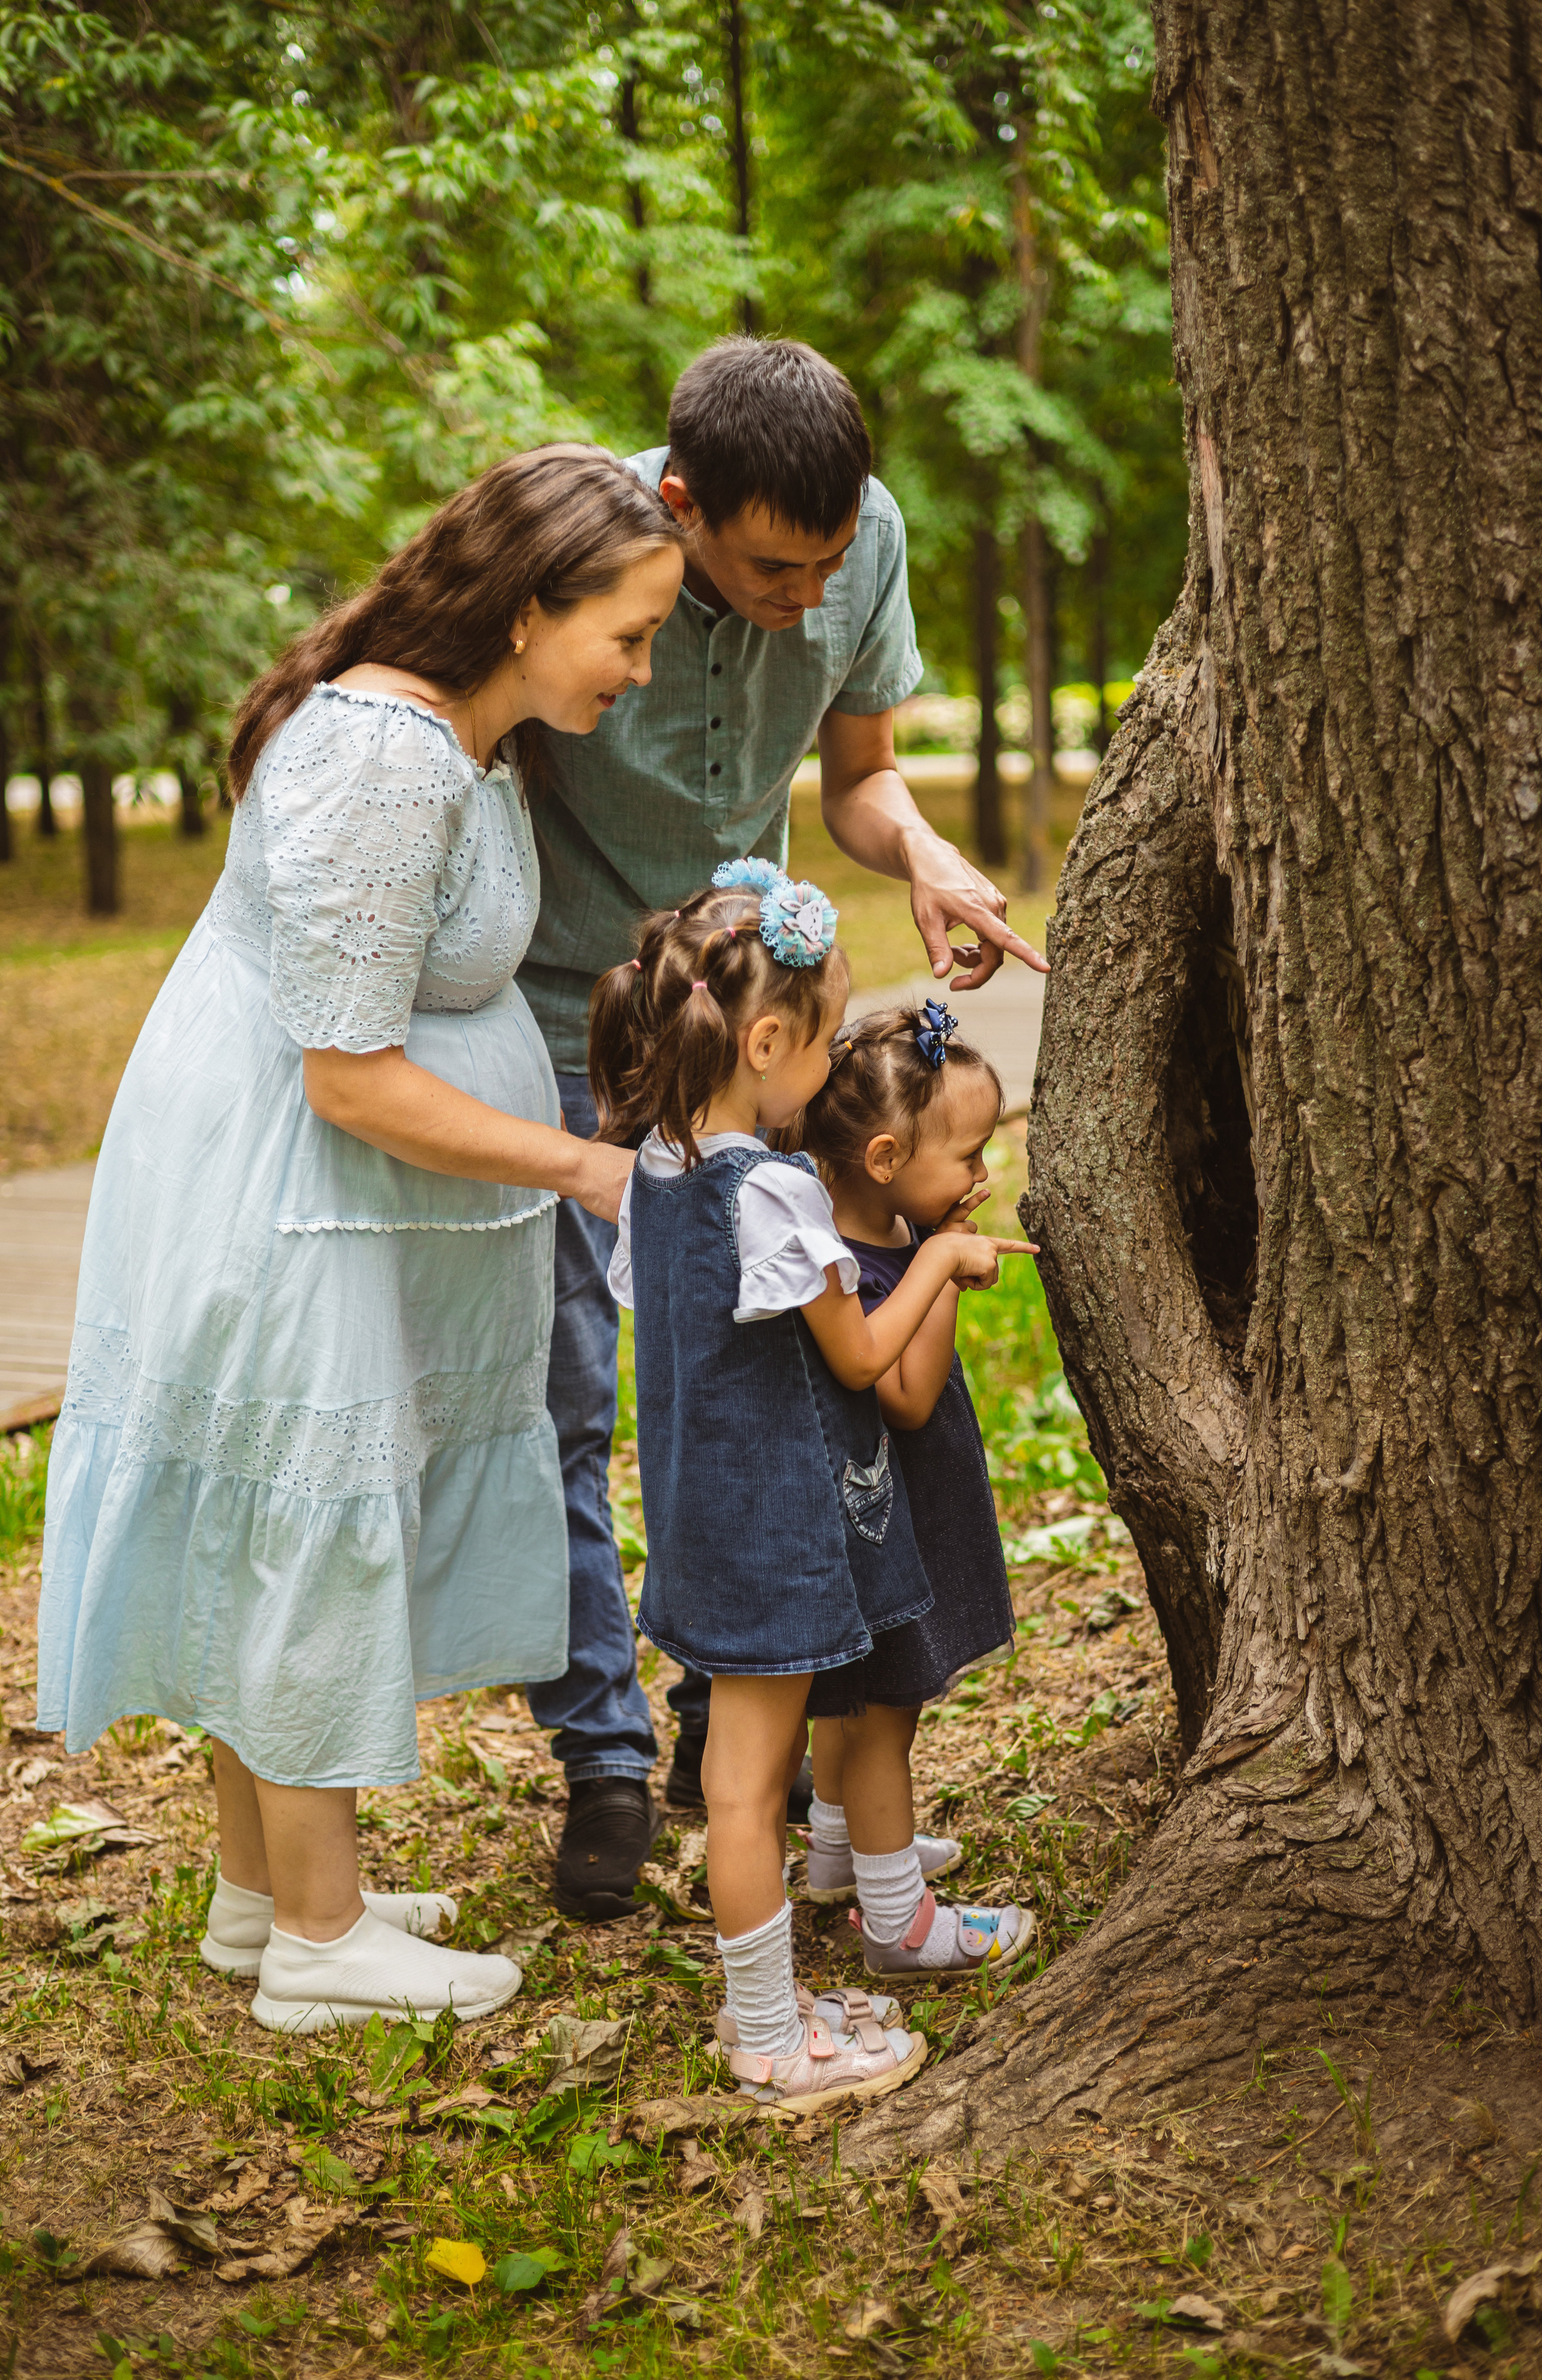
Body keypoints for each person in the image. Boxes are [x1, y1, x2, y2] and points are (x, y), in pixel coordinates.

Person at [36, 446, 684, 2034]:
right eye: (631, 632)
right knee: (302, 1520)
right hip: (285, 1195)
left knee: (288, 1510)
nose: (643, 670)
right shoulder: (388, 756)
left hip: (322, 1196)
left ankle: (267, 1899)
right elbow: (346, 1071)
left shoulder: (453, 738)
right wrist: (587, 1173)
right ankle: (324, 1949)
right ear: (532, 611)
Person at [518, 335, 1049, 1918]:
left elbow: (859, 779)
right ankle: (603, 1756)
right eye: (769, 566)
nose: (809, 597)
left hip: (758, 1050)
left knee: (784, 1379)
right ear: (677, 508)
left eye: (832, 563)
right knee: (578, 1399)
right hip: (567, 1020)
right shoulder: (576, 550)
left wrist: (925, 859)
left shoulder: (857, 538)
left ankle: (724, 1721)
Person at [593, 865, 1023, 2100]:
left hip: (691, 1521)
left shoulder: (656, 1171)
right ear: (766, 1040)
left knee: (736, 1791)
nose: (830, 1065)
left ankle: (764, 2008)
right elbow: (861, 1355)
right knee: (740, 1800)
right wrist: (938, 1257)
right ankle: (771, 2039)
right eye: (823, 1036)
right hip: (775, 1533)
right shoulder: (771, 1192)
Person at [796, 1003, 1039, 1974]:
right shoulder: (875, 1257)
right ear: (888, 1155)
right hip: (880, 1517)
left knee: (847, 1702)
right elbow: (907, 1395)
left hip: (866, 1510)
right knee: (885, 1712)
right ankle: (900, 1921)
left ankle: (837, 1849)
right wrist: (938, 1263)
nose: (984, 1176)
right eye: (972, 1155)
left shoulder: (838, 1222)